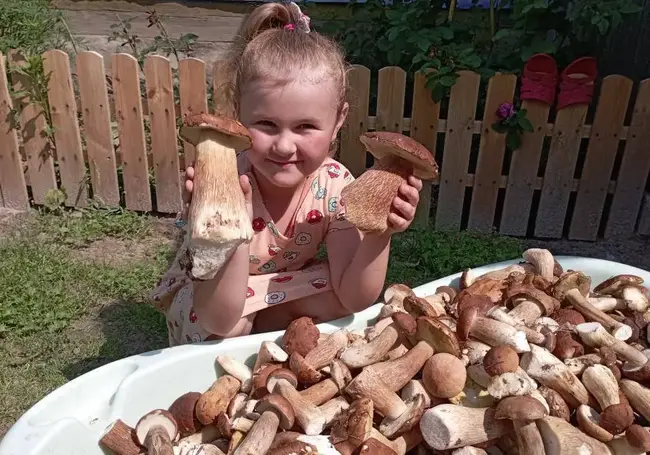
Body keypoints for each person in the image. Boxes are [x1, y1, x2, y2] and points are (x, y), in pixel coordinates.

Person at [150, 1, 423, 346]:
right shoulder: (226, 182)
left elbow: (355, 298)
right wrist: (230, 231)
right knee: (225, 329)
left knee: (342, 300)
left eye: (305, 126)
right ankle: (253, 328)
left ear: (338, 121)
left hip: (275, 288)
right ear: (238, 114)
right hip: (210, 301)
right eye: (266, 124)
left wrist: (379, 235)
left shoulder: (335, 186)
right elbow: (217, 317)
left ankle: (262, 323)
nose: (283, 145)